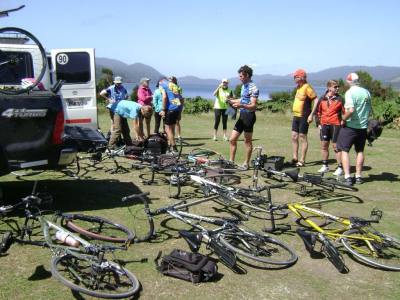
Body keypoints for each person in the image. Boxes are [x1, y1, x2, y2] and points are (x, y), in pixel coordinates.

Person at [336, 72, 372, 185]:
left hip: (350, 127)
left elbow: (350, 110)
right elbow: (369, 109)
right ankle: (358, 176)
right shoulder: (367, 92)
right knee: (360, 151)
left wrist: (343, 119)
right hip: (363, 127)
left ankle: (347, 177)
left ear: (349, 81)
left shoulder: (350, 92)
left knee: (344, 151)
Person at [308, 80, 344, 175]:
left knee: (336, 147)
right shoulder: (322, 98)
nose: (337, 88)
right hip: (324, 125)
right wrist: (318, 124)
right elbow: (317, 112)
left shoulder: (340, 99)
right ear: (329, 87)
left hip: (336, 125)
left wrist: (344, 121)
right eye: (335, 87)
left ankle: (340, 167)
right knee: (324, 146)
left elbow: (345, 112)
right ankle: (325, 166)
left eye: (338, 86)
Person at [228, 65, 259, 170]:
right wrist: (231, 100)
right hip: (242, 116)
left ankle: (246, 163)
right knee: (232, 139)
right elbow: (242, 99)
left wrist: (241, 106)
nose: (239, 78)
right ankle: (231, 161)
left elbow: (254, 106)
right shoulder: (243, 86)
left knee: (247, 141)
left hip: (249, 116)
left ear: (247, 75)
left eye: (241, 76)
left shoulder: (253, 87)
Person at [291, 69, 318, 167]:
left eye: (296, 77)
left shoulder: (307, 87)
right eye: (294, 77)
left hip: (304, 116)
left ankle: (302, 160)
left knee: (302, 137)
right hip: (296, 116)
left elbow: (316, 100)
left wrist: (311, 114)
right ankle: (295, 158)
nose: (294, 78)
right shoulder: (298, 87)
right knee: (294, 136)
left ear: (301, 77)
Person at [100, 76, 129, 142]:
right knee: (114, 124)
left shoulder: (123, 88)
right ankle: (111, 139)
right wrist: (108, 99)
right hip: (113, 108)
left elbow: (126, 96)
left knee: (121, 124)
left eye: (120, 83)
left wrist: (124, 100)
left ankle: (118, 139)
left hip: (121, 108)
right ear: (115, 82)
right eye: (117, 83)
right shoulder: (111, 88)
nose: (118, 84)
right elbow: (101, 93)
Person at [159, 77, 184, 153]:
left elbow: (164, 97)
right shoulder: (174, 85)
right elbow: (181, 99)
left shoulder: (162, 85)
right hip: (177, 108)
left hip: (170, 109)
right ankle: (169, 147)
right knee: (172, 129)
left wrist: (163, 110)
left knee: (167, 129)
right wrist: (179, 111)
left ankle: (174, 148)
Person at [169, 76, 184, 140]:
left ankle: (178, 135)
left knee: (177, 121)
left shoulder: (176, 86)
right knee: (172, 122)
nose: (170, 80)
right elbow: (172, 95)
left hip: (178, 103)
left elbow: (179, 94)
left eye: (171, 79)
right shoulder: (170, 85)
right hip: (174, 103)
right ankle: (172, 136)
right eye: (170, 79)